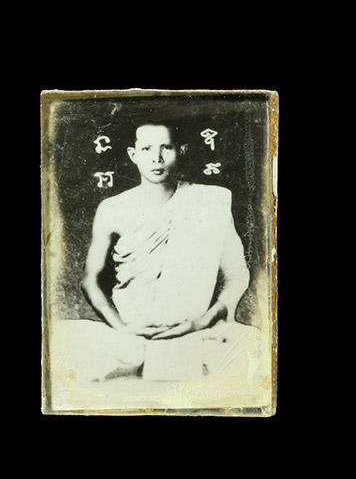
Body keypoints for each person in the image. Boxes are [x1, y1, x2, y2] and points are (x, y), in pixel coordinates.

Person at [54, 119, 256, 386]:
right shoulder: (112, 209)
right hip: (129, 337)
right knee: (60, 346)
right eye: (147, 149)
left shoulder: (212, 200)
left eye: (166, 147)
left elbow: (237, 273)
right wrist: (123, 329)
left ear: (181, 151)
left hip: (194, 332)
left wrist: (204, 321)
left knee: (253, 354)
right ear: (133, 154)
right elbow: (90, 281)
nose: (157, 158)